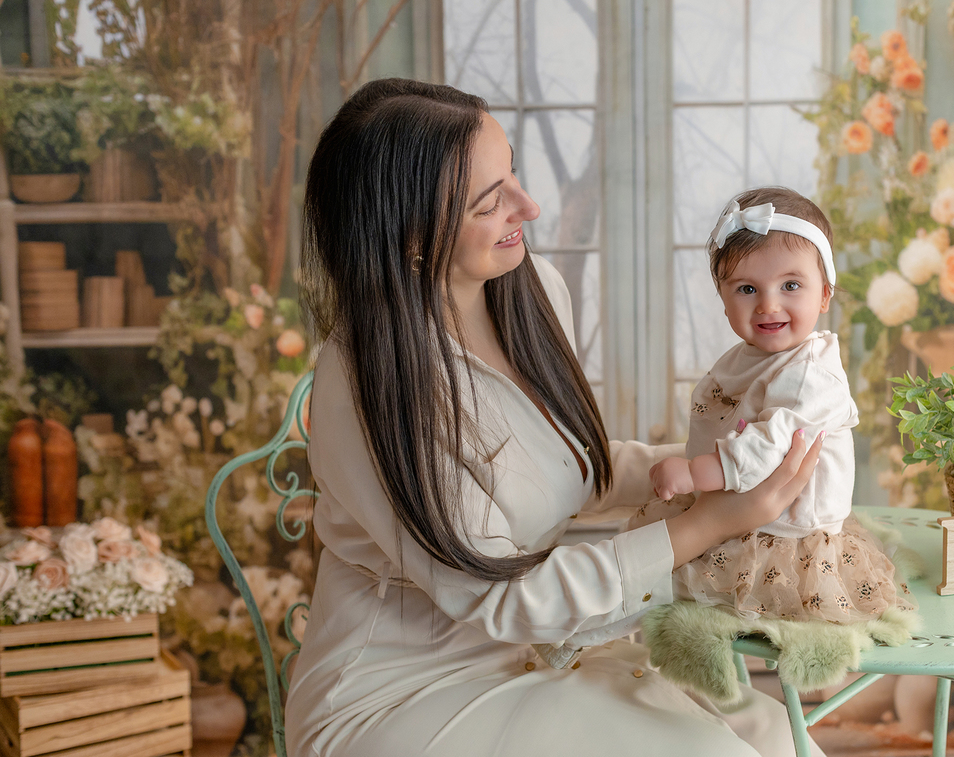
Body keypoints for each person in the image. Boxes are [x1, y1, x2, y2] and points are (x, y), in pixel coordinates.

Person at [284, 79, 825, 757]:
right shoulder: (371, 387)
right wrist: (712, 521)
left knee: (775, 735)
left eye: (512, 172)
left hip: (543, 649)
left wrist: (701, 474)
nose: (529, 206)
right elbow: (506, 600)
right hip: (405, 694)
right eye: (492, 201)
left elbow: (565, 469)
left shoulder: (527, 290)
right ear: (412, 237)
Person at [641, 187, 914, 624]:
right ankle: (584, 630)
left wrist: (694, 473)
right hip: (736, 506)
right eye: (747, 288)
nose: (769, 304)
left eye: (791, 285)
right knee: (648, 569)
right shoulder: (743, 358)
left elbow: (769, 446)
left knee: (680, 586)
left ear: (824, 295)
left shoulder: (811, 372)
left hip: (787, 537)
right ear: (723, 299)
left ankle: (586, 628)